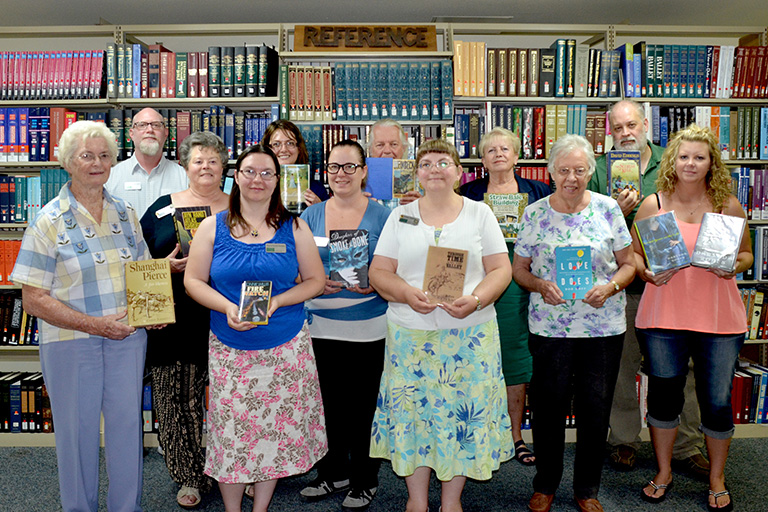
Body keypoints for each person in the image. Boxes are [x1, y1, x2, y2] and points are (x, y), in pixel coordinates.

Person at [10, 120, 154, 512]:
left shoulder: (126, 213)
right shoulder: (47, 221)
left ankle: (128, 508)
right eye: (87, 156)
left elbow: (142, 275)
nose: (97, 163)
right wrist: (94, 325)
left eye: (104, 155)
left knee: (128, 431)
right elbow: (34, 298)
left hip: (126, 339)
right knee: (77, 435)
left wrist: (152, 310)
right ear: (67, 162)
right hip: (72, 343)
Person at [369, 139, 514, 512]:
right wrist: (404, 293)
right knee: (414, 416)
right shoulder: (399, 216)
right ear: (416, 173)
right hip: (410, 336)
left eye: (443, 162)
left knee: (461, 416)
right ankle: (416, 500)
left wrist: (477, 299)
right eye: (427, 163)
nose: (435, 169)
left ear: (459, 171)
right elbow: (379, 272)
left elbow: (501, 269)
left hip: (469, 336)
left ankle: (452, 501)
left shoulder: (480, 214)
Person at [184, 144, 327, 512]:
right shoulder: (211, 226)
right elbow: (193, 281)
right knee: (232, 437)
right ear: (236, 177)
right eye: (250, 171)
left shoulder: (293, 226)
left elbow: (314, 280)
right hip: (230, 349)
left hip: (285, 347)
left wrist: (279, 300)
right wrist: (228, 306)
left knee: (273, 435)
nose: (258, 180)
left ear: (278, 180)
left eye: (267, 173)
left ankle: (260, 507)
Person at [513, 134, 636, 512]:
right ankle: (545, 484)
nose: (571, 178)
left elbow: (630, 264)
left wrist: (611, 286)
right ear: (550, 172)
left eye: (580, 170)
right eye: (564, 170)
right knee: (548, 407)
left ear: (590, 173)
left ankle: (587, 489)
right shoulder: (534, 214)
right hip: (551, 328)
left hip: (601, 328)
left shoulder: (609, 209)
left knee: (595, 409)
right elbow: (519, 270)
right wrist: (539, 284)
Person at [588, 99, 710, 478]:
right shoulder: (599, 170)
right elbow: (586, 225)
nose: (625, 133)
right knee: (621, 368)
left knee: (680, 370)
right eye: (618, 127)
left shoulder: (672, 161)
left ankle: (687, 446)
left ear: (645, 125)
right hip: (621, 286)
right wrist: (616, 210)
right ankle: (624, 440)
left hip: (672, 285)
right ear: (611, 131)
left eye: (631, 125)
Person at [633, 124, 751, 512]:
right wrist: (646, 272)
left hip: (718, 320)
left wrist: (735, 265)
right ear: (673, 160)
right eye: (684, 156)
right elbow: (633, 255)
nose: (690, 163)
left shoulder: (728, 205)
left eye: (699, 157)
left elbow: (748, 255)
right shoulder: (654, 203)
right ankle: (664, 472)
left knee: (716, 402)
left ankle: (717, 477)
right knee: (665, 399)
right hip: (664, 315)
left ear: (711, 163)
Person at [139, 131, 230, 508]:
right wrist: (165, 267)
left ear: (224, 166)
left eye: (212, 160)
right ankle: (188, 475)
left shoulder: (244, 205)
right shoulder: (162, 208)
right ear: (185, 166)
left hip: (230, 318)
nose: (205, 167)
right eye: (197, 160)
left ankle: (237, 471)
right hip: (172, 321)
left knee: (232, 401)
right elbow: (138, 262)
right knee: (174, 401)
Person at [299, 139, 391, 509]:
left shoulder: (385, 216)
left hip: (368, 325)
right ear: (326, 172)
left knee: (364, 407)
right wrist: (314, 281)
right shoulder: (310, 216)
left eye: (349, 166)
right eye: (334, 167)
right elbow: (296, 267)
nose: (341, 174)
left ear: (364, 171)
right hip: (319, 325)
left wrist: (379, 280)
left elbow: (395, 265)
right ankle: (331, 473)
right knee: (327, 406)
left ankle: (364, 479)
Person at [459, 127, 551, 467]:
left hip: (521, 285)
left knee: (514, 357)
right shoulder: (467, 193)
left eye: (505, 149)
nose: (498, 154)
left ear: (517, 155)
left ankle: (515, 435)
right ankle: (477, 429)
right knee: (474, 355)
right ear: (482, 160)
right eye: (491, 150)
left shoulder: (539, 191)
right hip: (475, 283)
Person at [106, 107, 188, 218]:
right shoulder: (110, 178)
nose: (149, 130)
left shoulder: (185, 177)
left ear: (166, 133)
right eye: (142, 125)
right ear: (131, 133)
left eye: (156, 125)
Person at [261, 119, 329, 207]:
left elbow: (328, 220)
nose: (284, 150)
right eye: (276, 144)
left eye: (290, 143)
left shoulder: (316, 189)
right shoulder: (259, 185)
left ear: (299, 148)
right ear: (267, 149)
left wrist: (319, 209)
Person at [367, 119, 421, 206]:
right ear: (370, 149)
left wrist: (423, 206)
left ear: (404, 148)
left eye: (394, 144)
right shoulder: (359, 179)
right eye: (380, 145)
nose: (387, 151)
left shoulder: (421, 178)